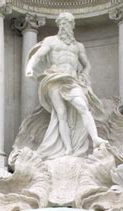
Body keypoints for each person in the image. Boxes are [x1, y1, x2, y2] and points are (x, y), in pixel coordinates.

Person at [25, 12, 108, 159]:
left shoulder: (78, 46)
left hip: (72, 80)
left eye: (68, 23)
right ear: (59, 25)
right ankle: (68, 148)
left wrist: (84, 76)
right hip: (54, 79)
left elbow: (87, 65)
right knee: (60, 114)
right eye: (63, 23)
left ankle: (95, 138)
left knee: (83, 107)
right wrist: (29, 67)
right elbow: (37, 56)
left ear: (72, 26)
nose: (65, 26)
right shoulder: (50, 41)